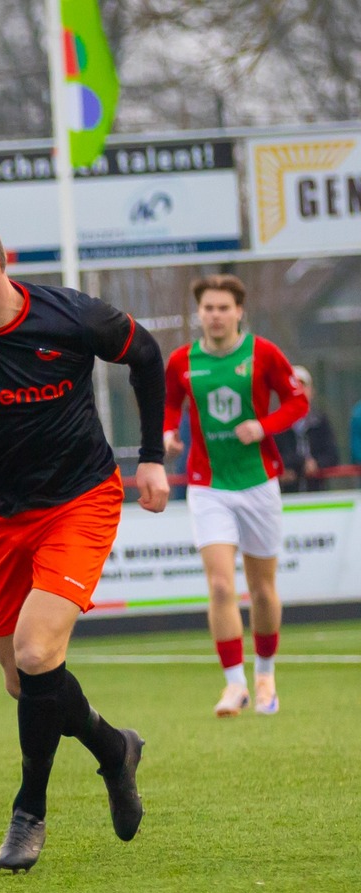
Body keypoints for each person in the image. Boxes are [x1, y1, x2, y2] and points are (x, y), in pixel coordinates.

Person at [0, 213, 170, 873]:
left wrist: (151, 456)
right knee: (23, 682)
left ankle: (29, 813)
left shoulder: (72, 316)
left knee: (35, 650)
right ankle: (114, 749)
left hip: (81, 500)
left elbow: (147, 355)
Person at [163, 275, 307, 717]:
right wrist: (168, 432)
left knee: (262, 589)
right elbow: (170, 404)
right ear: (199, 312)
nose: (216, 315)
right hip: (208, 485)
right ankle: (233, 685)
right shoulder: (182, 360)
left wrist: (264, 426)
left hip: (258, 482)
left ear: (239, 311)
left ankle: (265, 676)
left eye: (224, 307)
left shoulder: (263, 353)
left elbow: (297, 402)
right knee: (221, 585)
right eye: (208, 308)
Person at [274, 366, 339, 492]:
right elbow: (272, 458)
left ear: (311, 391)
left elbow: (332, 455)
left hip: (317, 494)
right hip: (287, 497)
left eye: (302, 386)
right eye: (293, 386)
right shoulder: (276, 425)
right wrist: (300, 464)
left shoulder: (320, 422)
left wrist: (316, 464)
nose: (299, 391)